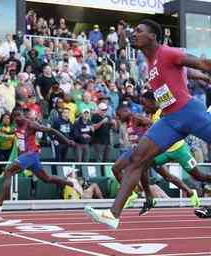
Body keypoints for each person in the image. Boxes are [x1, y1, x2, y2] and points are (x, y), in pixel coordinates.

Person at [85, 19, 211, 229]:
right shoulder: (150, 63)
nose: (134, 34)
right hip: (169, 120)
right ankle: (113, 214)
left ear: (152, 36)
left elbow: (203, 64)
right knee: (136, 159)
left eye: (139, 31)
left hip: (189, 113)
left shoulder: (168, 52)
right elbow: (181, 73)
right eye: (133, 32)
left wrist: (203, 75)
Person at [0, 108, 76, 211]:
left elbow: (51, 130)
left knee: (8, 171)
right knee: (47, 179)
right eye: (17, 116)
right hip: (28, 157)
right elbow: (21, 143)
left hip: (31, 154)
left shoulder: (30, 124)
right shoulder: (15, 127)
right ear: (13, 118)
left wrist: (67, 141)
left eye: (21, 115)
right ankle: (72, 183)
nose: (20, 118)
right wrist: (19, 157)